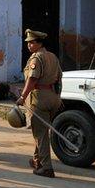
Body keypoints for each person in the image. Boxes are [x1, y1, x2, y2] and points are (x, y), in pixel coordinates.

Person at [16, 29, 62, 178]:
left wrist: (23, 96)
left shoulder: (36, 58)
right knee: (41, 131)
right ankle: (38, 159)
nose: (29, 45)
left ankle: (46, 167)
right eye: (28, 42)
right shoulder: (53, 56)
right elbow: (60, 78)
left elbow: (32, 80)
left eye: (32, 42)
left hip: (39, 98)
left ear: (39, 43)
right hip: (53, 97)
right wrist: (57, 97)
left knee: (40, 134)